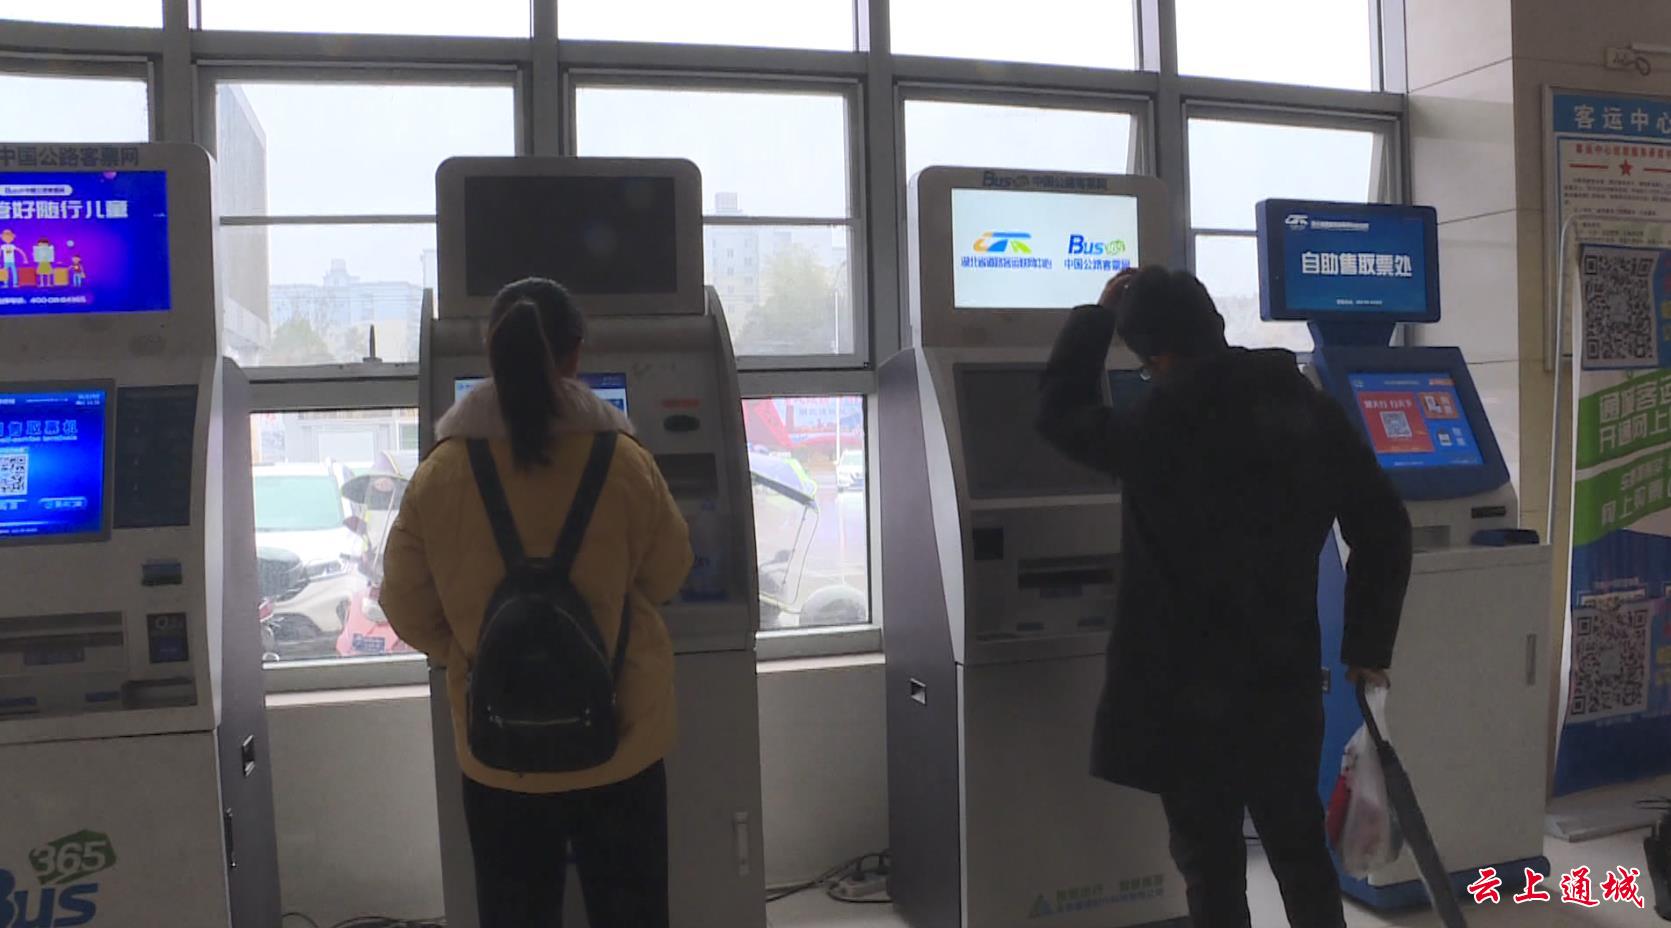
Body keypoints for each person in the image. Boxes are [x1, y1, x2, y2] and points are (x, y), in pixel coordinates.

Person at [1036, 266, 1413, 928]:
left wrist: (1095, 319)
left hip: (1184, 691)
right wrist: (1366, 646)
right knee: (1297, 846)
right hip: (1282, 677)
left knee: (1208, 861)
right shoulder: (1306, 408)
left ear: (1156, 355)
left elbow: (1058, 415)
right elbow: (1383, 525)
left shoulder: (1161, 418)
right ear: (1213, 325)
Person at [382, 277, 692, 928]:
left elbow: (404, 603)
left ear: (491, 353)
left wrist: (469, 647)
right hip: (622, 739)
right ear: (575, 354)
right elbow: (669, 573)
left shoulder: (440, 473)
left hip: (499, 749)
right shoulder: (626, 462)